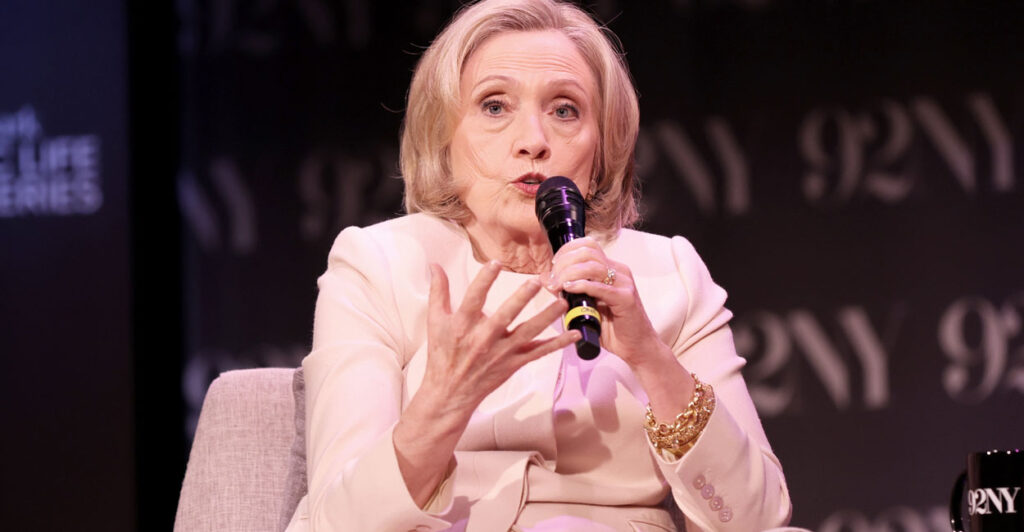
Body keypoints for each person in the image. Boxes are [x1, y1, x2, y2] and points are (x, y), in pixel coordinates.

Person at [285, 0, 792, 530]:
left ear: (602, 152)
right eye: (494, 106)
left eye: (565, 110)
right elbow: (335, 521)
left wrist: (651, 358)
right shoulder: (380, 265)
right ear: (444, 138)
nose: (533, 142)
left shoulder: (669, 273)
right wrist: (444, 403)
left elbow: (755, 519)